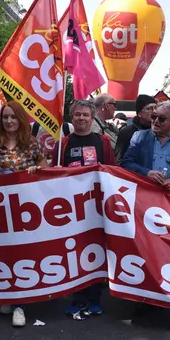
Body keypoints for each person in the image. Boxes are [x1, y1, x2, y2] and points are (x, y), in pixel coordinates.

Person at [0, 101, 47, 328]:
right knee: (3, 252)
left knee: (22, 253)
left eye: (13, 117)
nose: (9, 121)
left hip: (25, 209)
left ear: (21, 119)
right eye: (5, 117)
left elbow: (47, 172)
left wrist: (37, 171)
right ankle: (6, 294)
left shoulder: (32, 144)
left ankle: (20, 304)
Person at [57, 100, 116, 319]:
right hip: (70, 208)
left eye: (85, 115)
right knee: (74, 252)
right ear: (71, 117)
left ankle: (94, 299)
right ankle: (77, 299)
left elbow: (112, 170)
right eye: (77, 114)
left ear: (93, 118)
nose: (81, 118)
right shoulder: (63, 143)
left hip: (96, 207)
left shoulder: (103, 141)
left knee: (96, 251)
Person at [122, 102, 170, 189]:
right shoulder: (139, 137)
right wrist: (147, 173)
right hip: (143, 191)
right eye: (154, 116)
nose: (156, 121)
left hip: (169, 195)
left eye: (162, 119)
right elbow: (126, 163)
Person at [115, 94, 156, 162]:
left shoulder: (160, 131)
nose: (154, 111)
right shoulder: (127, 133)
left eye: (155, 108)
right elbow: (119, 160)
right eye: (149, 108)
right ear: (139, 113)